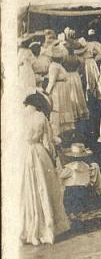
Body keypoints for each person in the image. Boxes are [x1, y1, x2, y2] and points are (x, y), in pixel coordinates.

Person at [20, 93, 71, 245]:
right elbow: (47, 141)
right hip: (38, 153)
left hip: (24, 153)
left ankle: (29, 228)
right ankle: (47, 228)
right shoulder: (40, 117)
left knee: (29, 190)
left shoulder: (19, 116)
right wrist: (54, 155)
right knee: (44, 188)